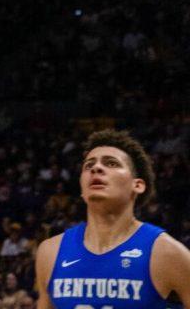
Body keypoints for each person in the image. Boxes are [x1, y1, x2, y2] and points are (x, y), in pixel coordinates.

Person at [36, 130, 190, 309]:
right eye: (88, 165)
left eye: (111, 163)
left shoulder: (167, 253)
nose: (96, 168)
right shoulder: (50, 252)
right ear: (82, 188)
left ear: (137, 185)